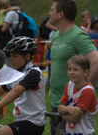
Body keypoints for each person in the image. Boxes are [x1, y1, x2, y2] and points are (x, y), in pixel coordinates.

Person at [48, 0, 98, 134]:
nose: (49, 13)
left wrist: (85, 90)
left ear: (60, 14)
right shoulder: (56, 36)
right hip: (57, 102)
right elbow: (57, 62)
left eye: (52, 10)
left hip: (74, 105)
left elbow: (96, 62)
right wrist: (53, 87)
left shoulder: (78, 36)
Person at [0, 36, 47, 135]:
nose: (11, 59)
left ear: (27, 56)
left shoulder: (34, 73)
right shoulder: (16, 74)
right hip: (21, 120)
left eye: (15, 56)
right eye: (10, 55)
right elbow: (0, 89)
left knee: (0, 133)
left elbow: (16, 91)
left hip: (34, 122)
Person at [58, 55, 98, 134]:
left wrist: (62, 116)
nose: (71, 72)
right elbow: (60, 108)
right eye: (69, 69)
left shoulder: (87, 91)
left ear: (85, 72)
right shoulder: (69, 85)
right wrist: (69, 109)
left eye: (76, 69)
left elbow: (75, 118)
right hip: (70, 132)